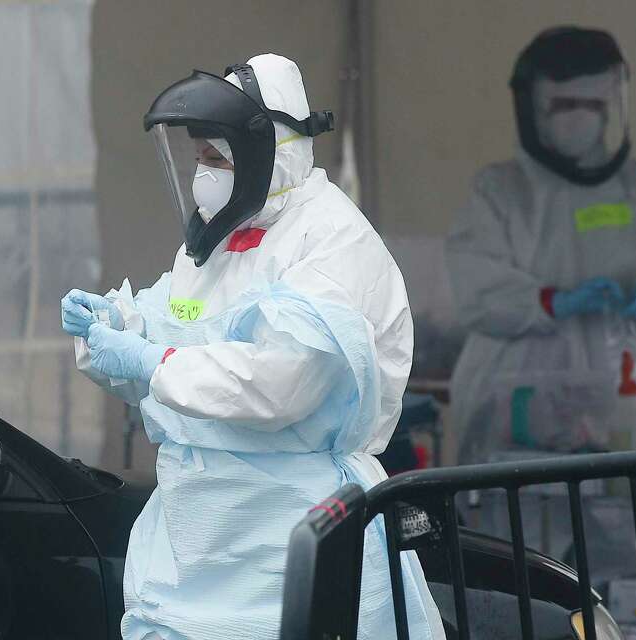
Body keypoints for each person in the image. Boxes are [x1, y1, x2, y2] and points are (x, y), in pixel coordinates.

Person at [60, 54, 444, 640]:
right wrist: (111, 330)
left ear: (272, 150)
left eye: (216, 158)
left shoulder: (330, 239)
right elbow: (173, 335)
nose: (203, 174)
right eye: (199, 157)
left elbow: (279, 384)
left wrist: (152, 360)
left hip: (287, 534)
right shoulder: (218, 237)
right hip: (193, 540)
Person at [446, 27, 636, 464]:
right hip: (518, 412)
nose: (581, 117)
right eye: (565, 104)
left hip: (623, 407)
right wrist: (551, 302)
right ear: (532, 107)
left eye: (593, 104)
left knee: (621, 522)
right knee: (516, 530)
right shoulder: (501, 192)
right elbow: (475, 290)